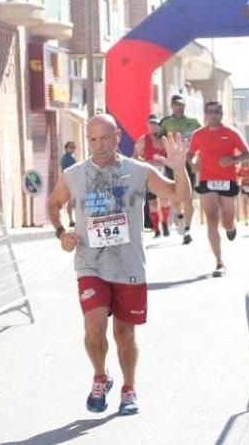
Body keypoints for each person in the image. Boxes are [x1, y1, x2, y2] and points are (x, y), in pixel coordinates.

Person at [46, 115, 191, 415]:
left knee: (124, 333)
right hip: (90, 264)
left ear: (117, 137)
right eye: (93, 140)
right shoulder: (74, 174)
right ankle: (100, 376)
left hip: (129, 265)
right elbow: (53, 203)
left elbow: (180, 196)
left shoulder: (138, 172)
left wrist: (179, 168)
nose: (99, 146)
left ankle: (128, 387)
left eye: (105, 139)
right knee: (94, 325)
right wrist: (62, 233)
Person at [189, 101, 249, 277]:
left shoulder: (231, 132)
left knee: (227, 220)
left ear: (221, 114)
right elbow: (190, 153)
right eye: (210, 112)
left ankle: (231, 228)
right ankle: (219, 261)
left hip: (227, 179)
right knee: (211, 217)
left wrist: (232, 160)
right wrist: (193, 163)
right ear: (205, 114)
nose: (213, 115)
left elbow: (248, 154)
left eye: (216, 112)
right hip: (207, 179)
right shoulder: (198, 134)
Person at [160, 95, 201, 245]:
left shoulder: (193, 122)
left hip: (189, 162)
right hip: (172, 163)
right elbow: (158, 140)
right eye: (176, 105)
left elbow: (202, 138)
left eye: (181, 105)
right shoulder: (166, 123)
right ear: (172, 106)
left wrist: (197, 158)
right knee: (174, 195)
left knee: (189, 197)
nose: (179, 107)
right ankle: (179, 216)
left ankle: (188, 230)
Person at [134, 116, 172, 238]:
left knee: (165, 200)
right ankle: (156, 229)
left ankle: (165, 223)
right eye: (151, 124)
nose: (153, 127)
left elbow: (171, 154)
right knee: (153, 203)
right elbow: (135, 156)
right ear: (148, 126)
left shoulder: (163, 139)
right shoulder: (143, 140)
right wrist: (144, 163)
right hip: (149, 174)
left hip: (162, 173)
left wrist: (164, 161)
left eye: (155, 124)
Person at [61, 141, 78, 227]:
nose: (73, 149)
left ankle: (72, 220)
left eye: (74, 147)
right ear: (66, 148)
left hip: (71, 182)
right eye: (71, 147)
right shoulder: (67, 158)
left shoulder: (70, 157)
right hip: (70, 182)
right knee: (71, 201)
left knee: (72, 201)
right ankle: (71, 220)